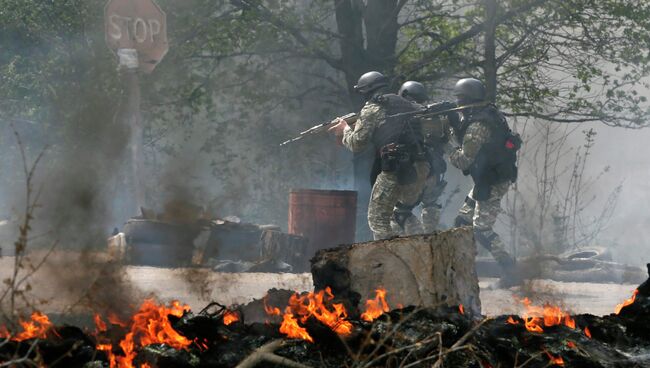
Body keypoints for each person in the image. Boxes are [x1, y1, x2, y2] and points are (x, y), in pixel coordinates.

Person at [329, 72, 429, 240]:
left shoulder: (372, 108)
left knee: (377, 220)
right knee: (402, 213)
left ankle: (389, 261)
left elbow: (356, 144)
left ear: (367, 90)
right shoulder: (406, 104)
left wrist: (344, 129)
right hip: (419, 168)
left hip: (396, 169)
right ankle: (422, 250)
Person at [446, 78, 521, 285]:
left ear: (467, 99)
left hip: (493, 181)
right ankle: (460, 269)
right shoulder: (487, 113)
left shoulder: (478, 124)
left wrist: (447, 141)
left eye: (460, 100)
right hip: (487, 178)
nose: (458, 105)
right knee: (462, 222)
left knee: (481, 229)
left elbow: (463, 160)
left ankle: (510, 270)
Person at [392, 81, 449, 235]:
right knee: (431, 205)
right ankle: (430, 239)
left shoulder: (404, 117)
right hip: (435, 171)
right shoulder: (435, 117)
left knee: (400, 213)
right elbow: (445, 139)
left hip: (415, 171)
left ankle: (415, 242)